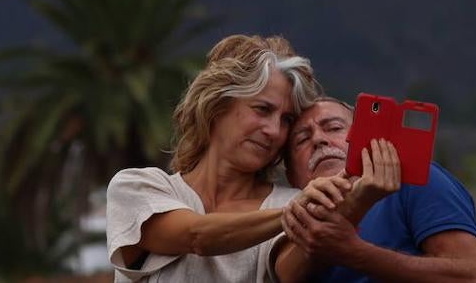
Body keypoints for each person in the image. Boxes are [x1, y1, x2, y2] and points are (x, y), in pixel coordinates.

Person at [105, 34, 348, 281]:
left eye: (286, 120)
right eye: (262, 109)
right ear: (216, 105)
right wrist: (294, 213)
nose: (274, 131)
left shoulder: (289, 203)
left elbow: (291, 271)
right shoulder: (140, 190)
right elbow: (196, 236)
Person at [271, 97, 476, 283]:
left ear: (365, 136)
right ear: (291, 176)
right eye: (302, 139)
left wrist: (357, 253)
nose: (318, 139)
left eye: (334, 128)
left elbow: (471, 278)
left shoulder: (416, 181)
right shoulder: (291, 213)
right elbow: (285, 275)